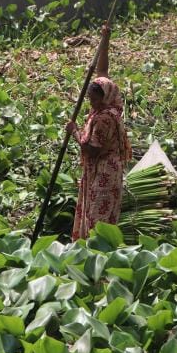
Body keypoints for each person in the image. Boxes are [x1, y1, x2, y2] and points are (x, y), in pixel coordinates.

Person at [65, 23, 132, 241]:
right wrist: (105, 41)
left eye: (94, 99)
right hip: (103, 169)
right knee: (96, 214)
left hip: (103, 173)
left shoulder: (104, 118)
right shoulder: (113, 102)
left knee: (97, 217)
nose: (91, 102)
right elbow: (102, 71)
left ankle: (96, 251)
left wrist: (74, 131)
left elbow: (91, 150)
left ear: (103, 97)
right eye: (89, 98)